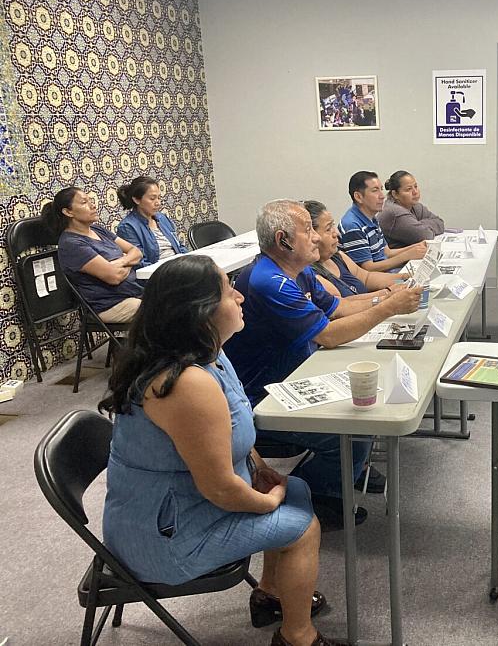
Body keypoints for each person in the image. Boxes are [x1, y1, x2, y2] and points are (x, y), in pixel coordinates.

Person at [99, 255, 344, 646]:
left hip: (177, 507)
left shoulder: (210, 353)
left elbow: (233, 432)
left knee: (297, 491)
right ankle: (298, 637)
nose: (240, 296)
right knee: (302, 526)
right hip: (165, 538)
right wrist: (267, 501)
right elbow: (221, 490)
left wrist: (260, 469)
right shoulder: (184, 383)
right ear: (201, 313)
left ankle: (270, 594)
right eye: (228, 291)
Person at [224, 200, 422, 529]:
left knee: (368, 403)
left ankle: (347, 472)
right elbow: (329, 334)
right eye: (309, 230)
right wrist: (387, 309)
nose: (317, 237)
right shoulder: (270, 282)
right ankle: (314, 493)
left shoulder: (298, 271)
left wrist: (387, 296)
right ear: (283, 240)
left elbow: (338, 307)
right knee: (353, 431)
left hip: (297, 371)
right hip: (264, 396)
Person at [41, 186, 143, 322]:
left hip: (134, 292)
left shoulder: (97, 229)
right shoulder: (72, 244)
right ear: (68, 212)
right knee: (166, 310)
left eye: (91, 200)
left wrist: (121, 261)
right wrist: (127, 260)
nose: (93, 205)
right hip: (111, 304)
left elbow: (136, 252)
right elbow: (114, 276)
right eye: (84, 202)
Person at [304, 200, 407, 299]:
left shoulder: (338, 256)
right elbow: (343, 304)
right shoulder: (311, 275)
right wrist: (388, 292)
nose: (336, 234)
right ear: (312, 236)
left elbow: (366, 278)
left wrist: (404, 278)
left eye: (333, 226)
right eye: (328, 229)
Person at [337, 171, 428, 273]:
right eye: (375, 191)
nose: (382, 196)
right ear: (358, 197)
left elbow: (387, 253)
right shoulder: (352, 225)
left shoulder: (371, 218)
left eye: (381, 189)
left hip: (386, 273)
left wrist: (417, 246)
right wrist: (407, 255)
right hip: (374, 282)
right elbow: (368, 269)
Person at [116, 175, 188, 270]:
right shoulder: (127, 227)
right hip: (157, 274)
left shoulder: (162, 218)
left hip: (179, 267)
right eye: (152, 198)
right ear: (137, 200)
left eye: (159, 198)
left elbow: (179, 246)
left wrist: (189, 261)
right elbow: (139, 262)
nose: (158, 202)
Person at [378, 171, 445, 247]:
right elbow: (426, 235)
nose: (415, 192)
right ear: (395, 194)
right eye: (408, 189)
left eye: (415, 186)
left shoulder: (414, 206)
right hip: (397, 257)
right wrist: (421, 227)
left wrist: (418, 225)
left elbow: (440, 223)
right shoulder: (394, 212)